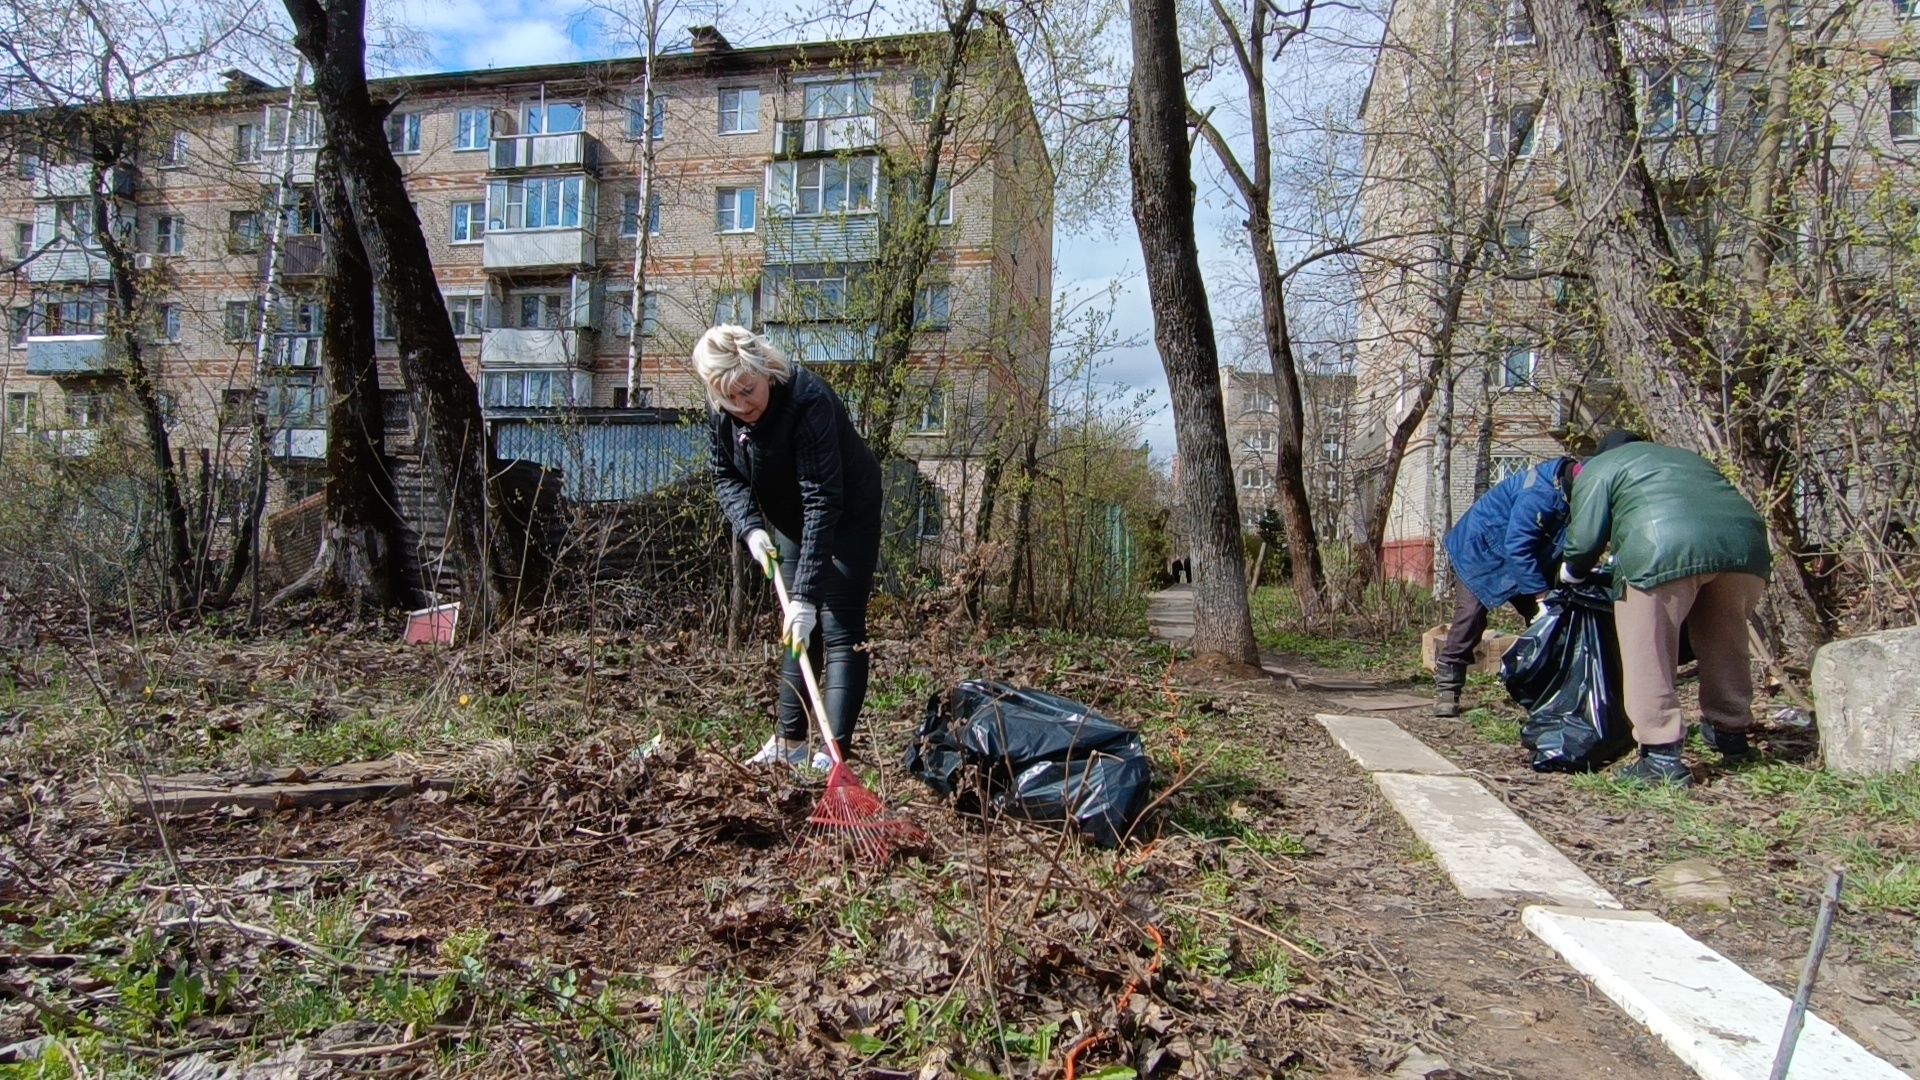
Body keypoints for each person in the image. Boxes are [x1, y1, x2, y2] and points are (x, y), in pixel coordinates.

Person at [695, 325, 884, 771]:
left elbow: (822, 499)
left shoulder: (807, 400)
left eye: (747, 390)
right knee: (799, 630)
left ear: (764, 370)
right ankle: (790, 742)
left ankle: (833, 754)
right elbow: (725, 475)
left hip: (846, 513)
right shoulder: (723, 411)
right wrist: (750, 529)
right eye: (729, 398)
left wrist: (806, 598)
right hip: (791, 518)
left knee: (836, 625)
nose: (742, 406)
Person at [1559, 432, 1772, 788]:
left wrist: (1571, 570)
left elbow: (1584, 539)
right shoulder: (1688, 458)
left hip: (1662, 548)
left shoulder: (1601, 467)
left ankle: (1659, 755)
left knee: (1649, 649)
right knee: (1726, 641)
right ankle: (1731, 732)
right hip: (1745, 549)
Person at [1432, 453, 1579, 717]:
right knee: (1471, 617)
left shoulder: (1575, 491)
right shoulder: (1540, 493)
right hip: (1480, 551)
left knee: (1551, 620)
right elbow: (1518, 547)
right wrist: (1540, 595)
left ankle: (1547, 687)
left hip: (1524, 557)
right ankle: (1448, 687)